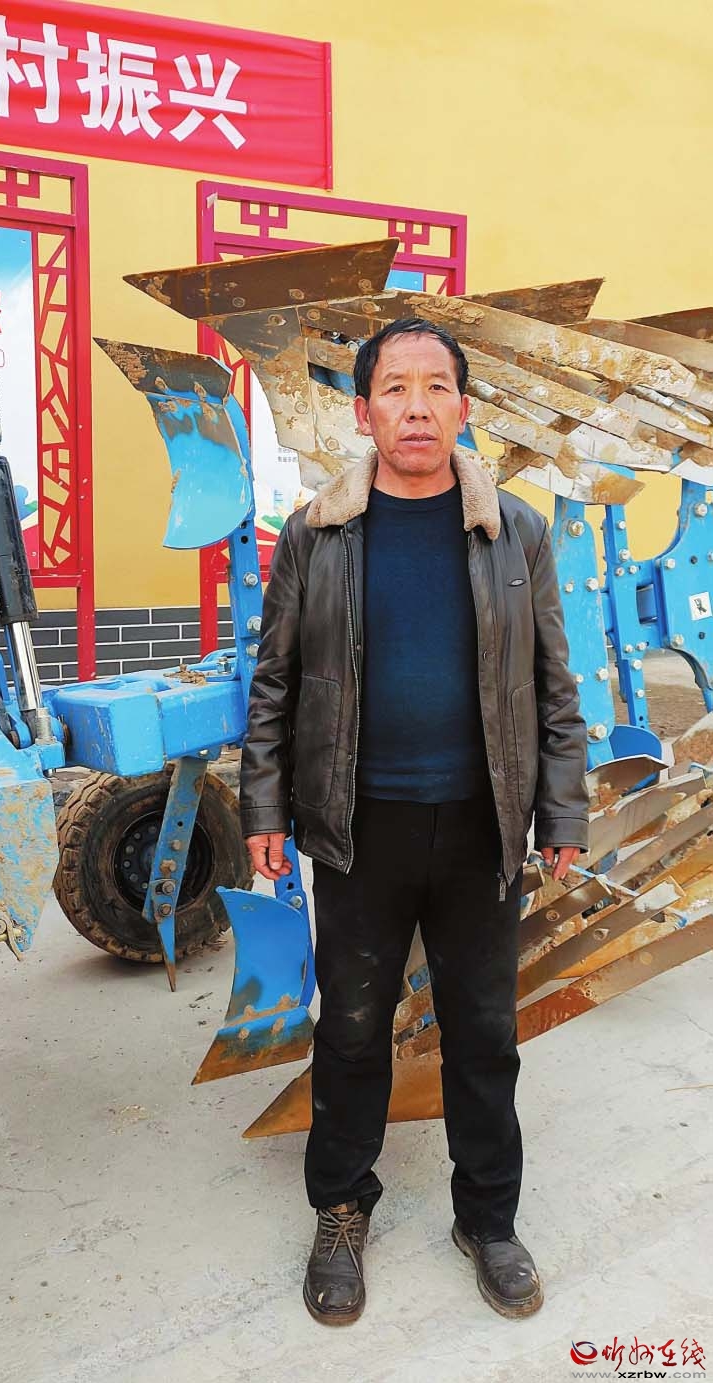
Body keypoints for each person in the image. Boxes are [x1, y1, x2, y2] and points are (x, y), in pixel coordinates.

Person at [239, 317, 588, 1326]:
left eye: (437, 386)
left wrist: (561, 811)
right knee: (351, 1030)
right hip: (359, 828)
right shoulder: (316, 534)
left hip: (483, 828)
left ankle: (488, 1219)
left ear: (463, 407)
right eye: (395, 388)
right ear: (363, 413)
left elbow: (553, 686)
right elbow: (274, 684)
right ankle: (342, 1207)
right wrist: (265, 804)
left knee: (484, 1032)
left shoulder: (515, 532)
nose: (418, 407)